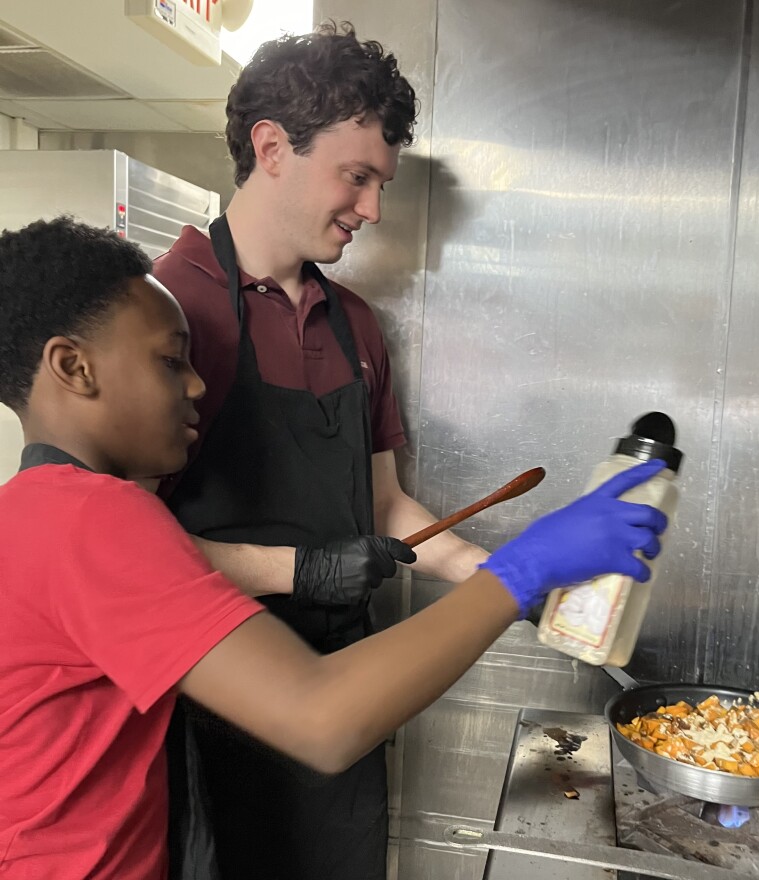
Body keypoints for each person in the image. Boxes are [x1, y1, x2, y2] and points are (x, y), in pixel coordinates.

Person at [0, 216, 667, 880]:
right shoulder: (94, 517)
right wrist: (526, 568)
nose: (197, 385)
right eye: (171, 361)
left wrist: (489, 568)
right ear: (73, 367)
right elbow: (324, 718)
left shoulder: (36, 510)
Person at [150, 21, 494, 880]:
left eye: (381, 183)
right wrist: (297, 572)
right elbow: (122, 553)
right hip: (212, 712)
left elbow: (384, 505)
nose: (373, 209)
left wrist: (502, 576)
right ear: (272, 147)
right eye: (357, 177)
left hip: (350, 688)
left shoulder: (358, 326)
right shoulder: (163, 314)